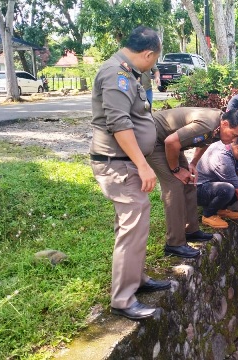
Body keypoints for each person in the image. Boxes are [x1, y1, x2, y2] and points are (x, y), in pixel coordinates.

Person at [89, 26, 169, 321]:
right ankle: (122, 299)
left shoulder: (128, 73)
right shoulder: (116, 74)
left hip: (126, 162)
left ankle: (135, 278)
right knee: (133, 223)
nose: (153, 65)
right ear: (148, 54)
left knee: (133, 224)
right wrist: (144, 164)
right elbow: (119, 124)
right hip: (118, 163)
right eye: (155, 59)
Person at [147, 108, 238, 259]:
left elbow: (204, 141)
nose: (234, 140)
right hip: (154, 140)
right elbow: (170, 142)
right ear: (225, 124)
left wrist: (193, 163)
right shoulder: (208, 125)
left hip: (171, 142)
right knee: (174, 185)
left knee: (189, 181)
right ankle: (174, 244)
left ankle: (191, 230)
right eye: (234, 135)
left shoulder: (218, 128)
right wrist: (175, 170)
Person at [196, 132, 238, 233]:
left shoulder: (231, 147)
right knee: (228, 189)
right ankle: (208, 215)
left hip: (213, 185)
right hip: (200, 190)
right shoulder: (222, 159)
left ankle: (221, 210)